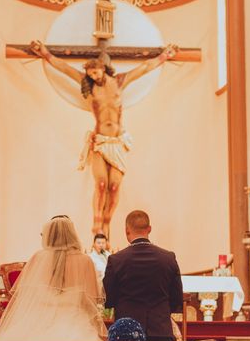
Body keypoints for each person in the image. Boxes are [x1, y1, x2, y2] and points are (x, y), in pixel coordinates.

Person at [31, 40, 179, 238]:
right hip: (100, 141)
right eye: (90, 74)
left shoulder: (119, 81)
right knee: (101, 185)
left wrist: (164, 56)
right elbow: (65, 68)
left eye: (96, 72)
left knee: (114, 186)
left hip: (117, 142)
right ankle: (97, 223)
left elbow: (144, 68)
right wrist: (45, 53)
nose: (93, 76)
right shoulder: (89, 86)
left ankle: (107, 222)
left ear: (103, 68)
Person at [0, 216, 106, 341]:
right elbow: (92, 299)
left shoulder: (38, 258)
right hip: (74, 320)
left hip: (39, 318)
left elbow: (23, 296)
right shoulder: (84, 260)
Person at [103, 210, 183, 341]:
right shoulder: (168, 258)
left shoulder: (116, 260)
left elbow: (108, 298)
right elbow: (176, 298)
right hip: (160, 330)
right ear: (149, 229)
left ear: (127, 231)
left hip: (126, 332)